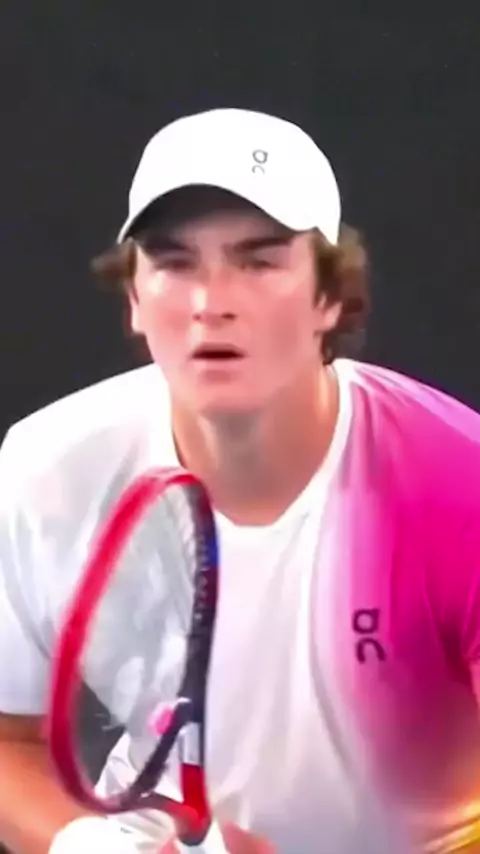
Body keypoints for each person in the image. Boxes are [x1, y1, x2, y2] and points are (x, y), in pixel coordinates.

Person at [0, 106, 479, 854]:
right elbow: (7, 744)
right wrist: (96, 849)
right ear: (134, 298)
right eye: (174, 262)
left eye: (259, 262)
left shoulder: (457, 483)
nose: (210, 303)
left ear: (329, 296)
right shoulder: (45, 471)